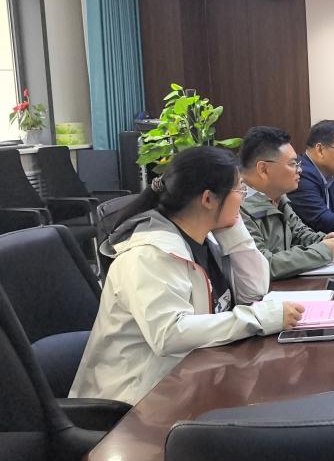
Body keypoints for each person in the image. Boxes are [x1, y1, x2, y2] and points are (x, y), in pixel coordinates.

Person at [68, 146, 303, 405]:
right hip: (136, 400)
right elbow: (170, 334)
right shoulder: (149, 254)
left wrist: (234, 229)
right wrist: (258, 318)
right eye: (239, 190)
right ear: (208, 199)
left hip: (189, 378)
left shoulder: (207, 238)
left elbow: (254, 290)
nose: (243, 199)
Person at [239, 126, 334, 280]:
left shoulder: (278, 197)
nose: (299, 170)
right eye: (292, 164)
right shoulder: (237, 207)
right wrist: (323, 251)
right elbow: (263, 264)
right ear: (263, 169)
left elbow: (300, 234)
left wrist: (324, 240)